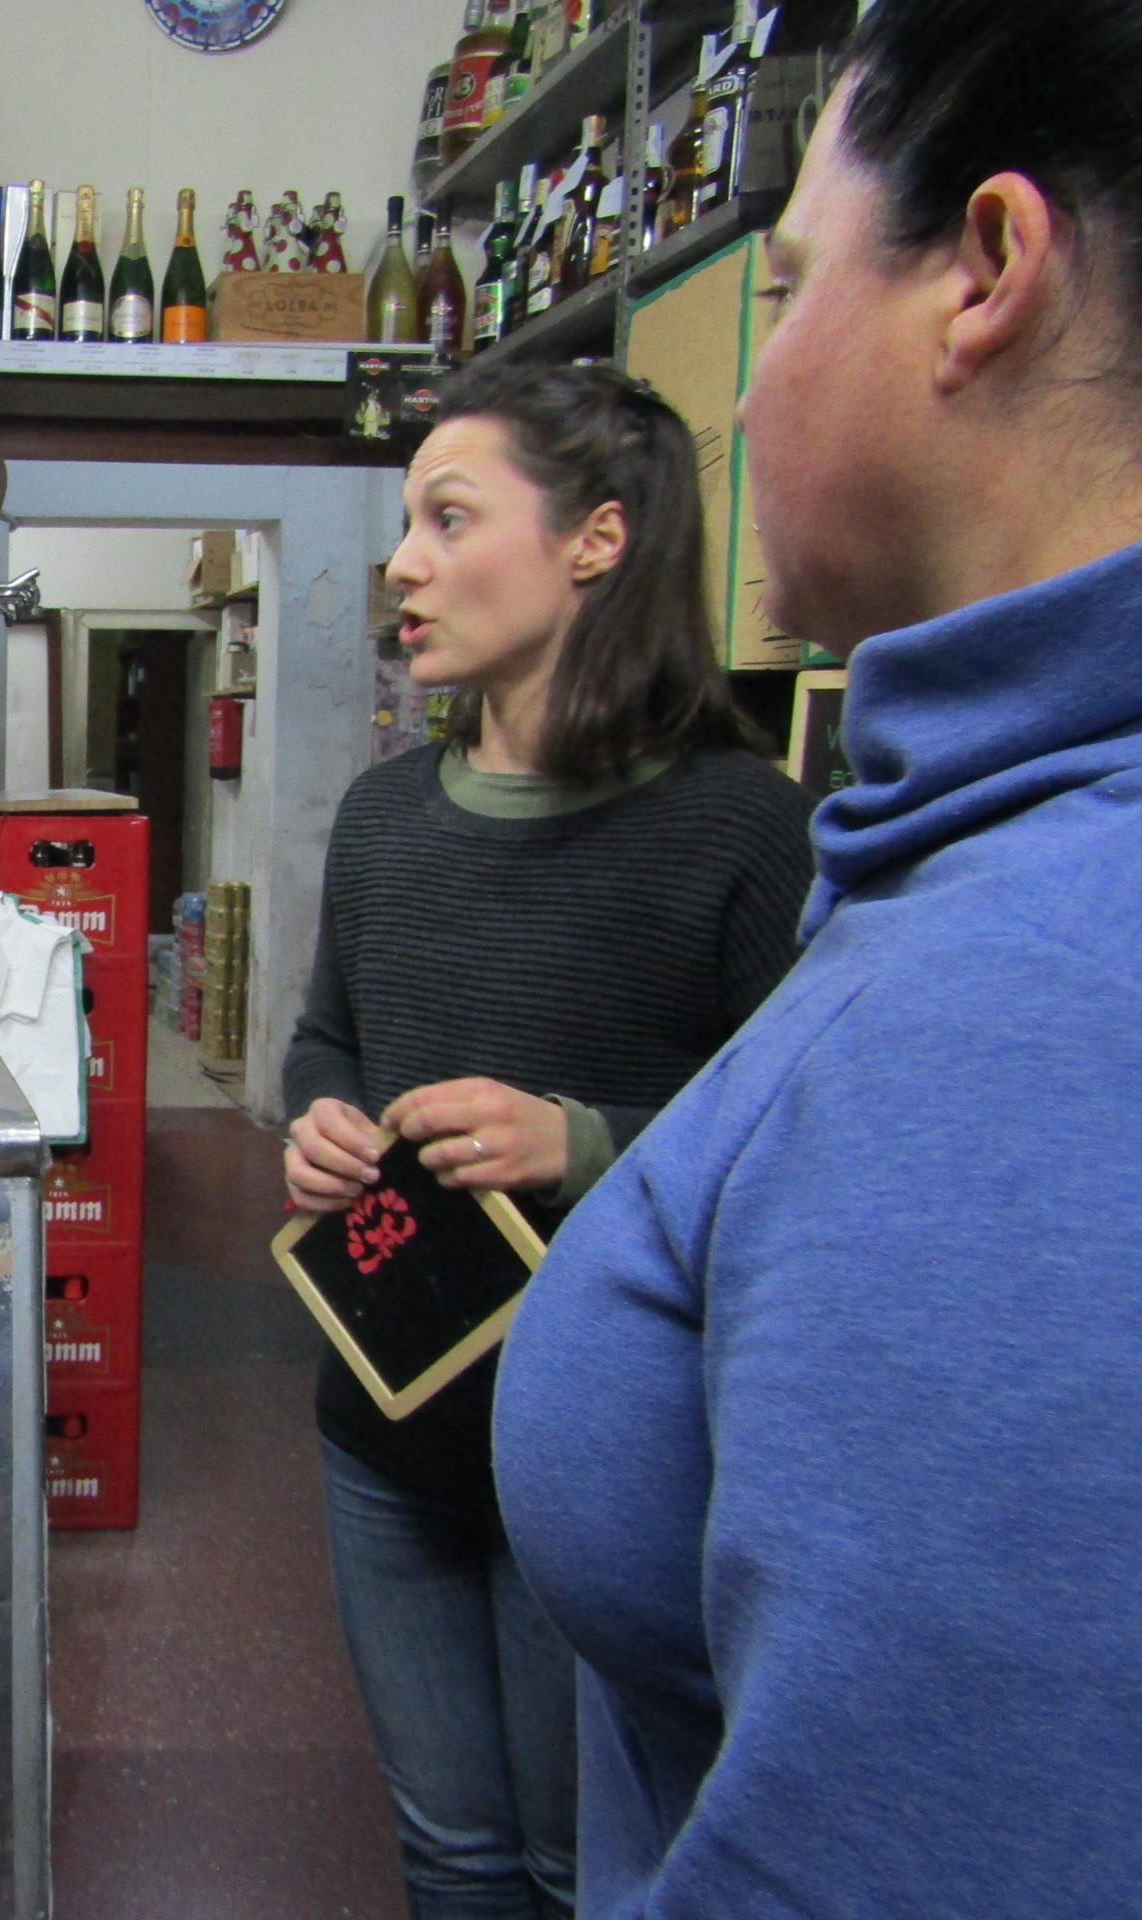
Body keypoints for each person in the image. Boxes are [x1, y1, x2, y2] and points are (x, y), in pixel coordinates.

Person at [494, 4, 1142, 1912]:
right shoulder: (969, 845)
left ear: (988, 273)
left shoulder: (1040, 996)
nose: (749, 399)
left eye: (784, 289)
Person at [281, 359, 815, 1920]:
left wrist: (580, 1142)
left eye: (450, 518)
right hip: (378, 1430)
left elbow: (800, 1161)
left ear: (596, 538)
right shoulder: (384, 819)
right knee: (448, 1849)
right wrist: (315, 1120)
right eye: (403, 525)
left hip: (604, 1447)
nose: (404, 563)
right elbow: (333, 1037)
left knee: (588, 1865)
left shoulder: (741, 829)